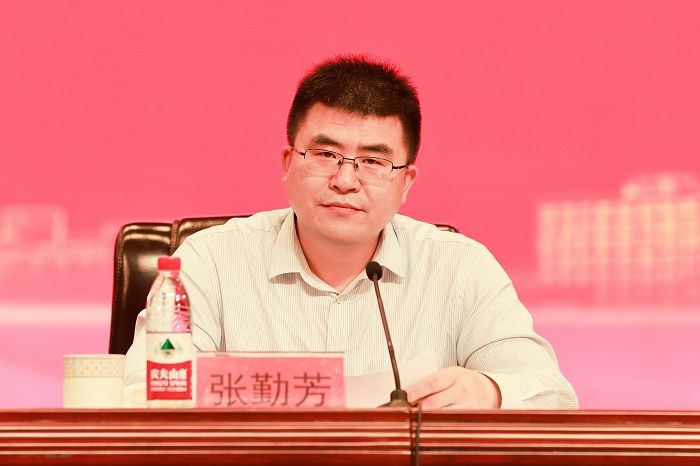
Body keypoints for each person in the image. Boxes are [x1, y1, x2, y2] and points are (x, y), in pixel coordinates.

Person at [125, 55, 577, 409]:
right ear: (288, 163)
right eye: (325, 155)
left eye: (374, 161)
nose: (345, 180)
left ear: (406, 182)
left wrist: (491, 392)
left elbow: (551, 394)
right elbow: (141, 391)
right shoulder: (209, 262)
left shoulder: (461, 267)